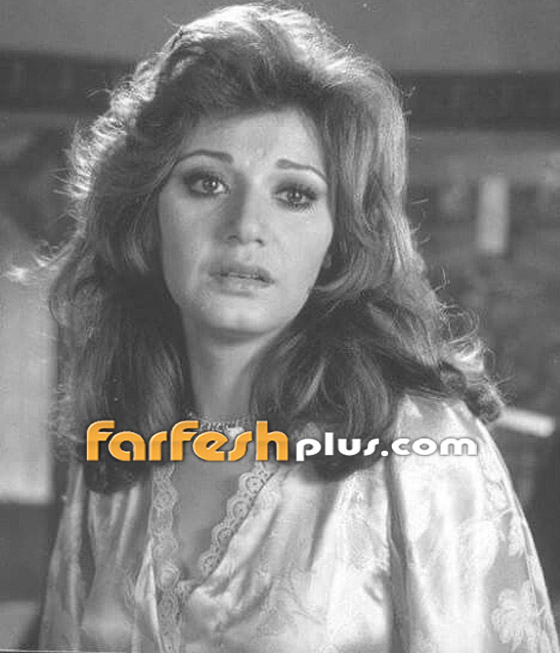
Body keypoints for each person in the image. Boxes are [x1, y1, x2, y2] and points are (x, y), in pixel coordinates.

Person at [39, 4, 559, 651]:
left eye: (294, 194)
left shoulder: (420, 446)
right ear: (149, 215)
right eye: (206, 182)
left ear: (337, 241)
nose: (245, 226)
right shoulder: (116, 457)